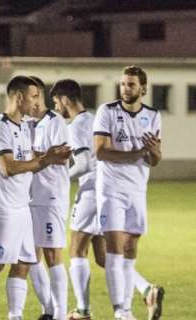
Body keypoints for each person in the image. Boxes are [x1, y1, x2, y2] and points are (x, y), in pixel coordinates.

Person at [51, 79, 164, 320]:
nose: (56, 107)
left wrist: (60, 179)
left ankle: (82, 311)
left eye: (56, 101)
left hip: (92, 192)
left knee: (76, 249)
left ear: (65, 100)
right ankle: (147, 290)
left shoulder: (75, 126)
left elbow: (84, 163)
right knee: (105, 257)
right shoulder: (96, 118)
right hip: (107, 190)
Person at [0, 76, 71, 320]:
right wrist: (46, 160)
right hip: (2, 209)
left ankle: (16, 316)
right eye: (34, 96)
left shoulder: (24, 126)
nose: (37, 102)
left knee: (23, 264)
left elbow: (27, 155)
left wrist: (49, 154)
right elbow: (8, 167)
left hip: (22, 208)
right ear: (19, 97)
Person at [93, 66, 162, 320]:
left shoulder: (153, 115)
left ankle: (129, 308)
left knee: (131, 249)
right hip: (111, 190)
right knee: (113, 248)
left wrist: (152, 153)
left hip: (137, 189)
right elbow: (100, 152)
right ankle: (120, 311)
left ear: (142, 88)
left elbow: (155, 159)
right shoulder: (107, 111)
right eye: (123, 84)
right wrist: (137, 154)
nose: (125, 89)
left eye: (131, 84)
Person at [26, 76, 70, 320]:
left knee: (53, 254)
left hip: (51, 195)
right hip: (28, 197)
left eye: (32, 95)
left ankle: (61, 314)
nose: (29, 101)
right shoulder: (23, 123)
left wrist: (32, 155)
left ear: (40, 95)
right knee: (29, 255)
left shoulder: (56, 121)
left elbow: (63, 156)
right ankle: (48, 309)